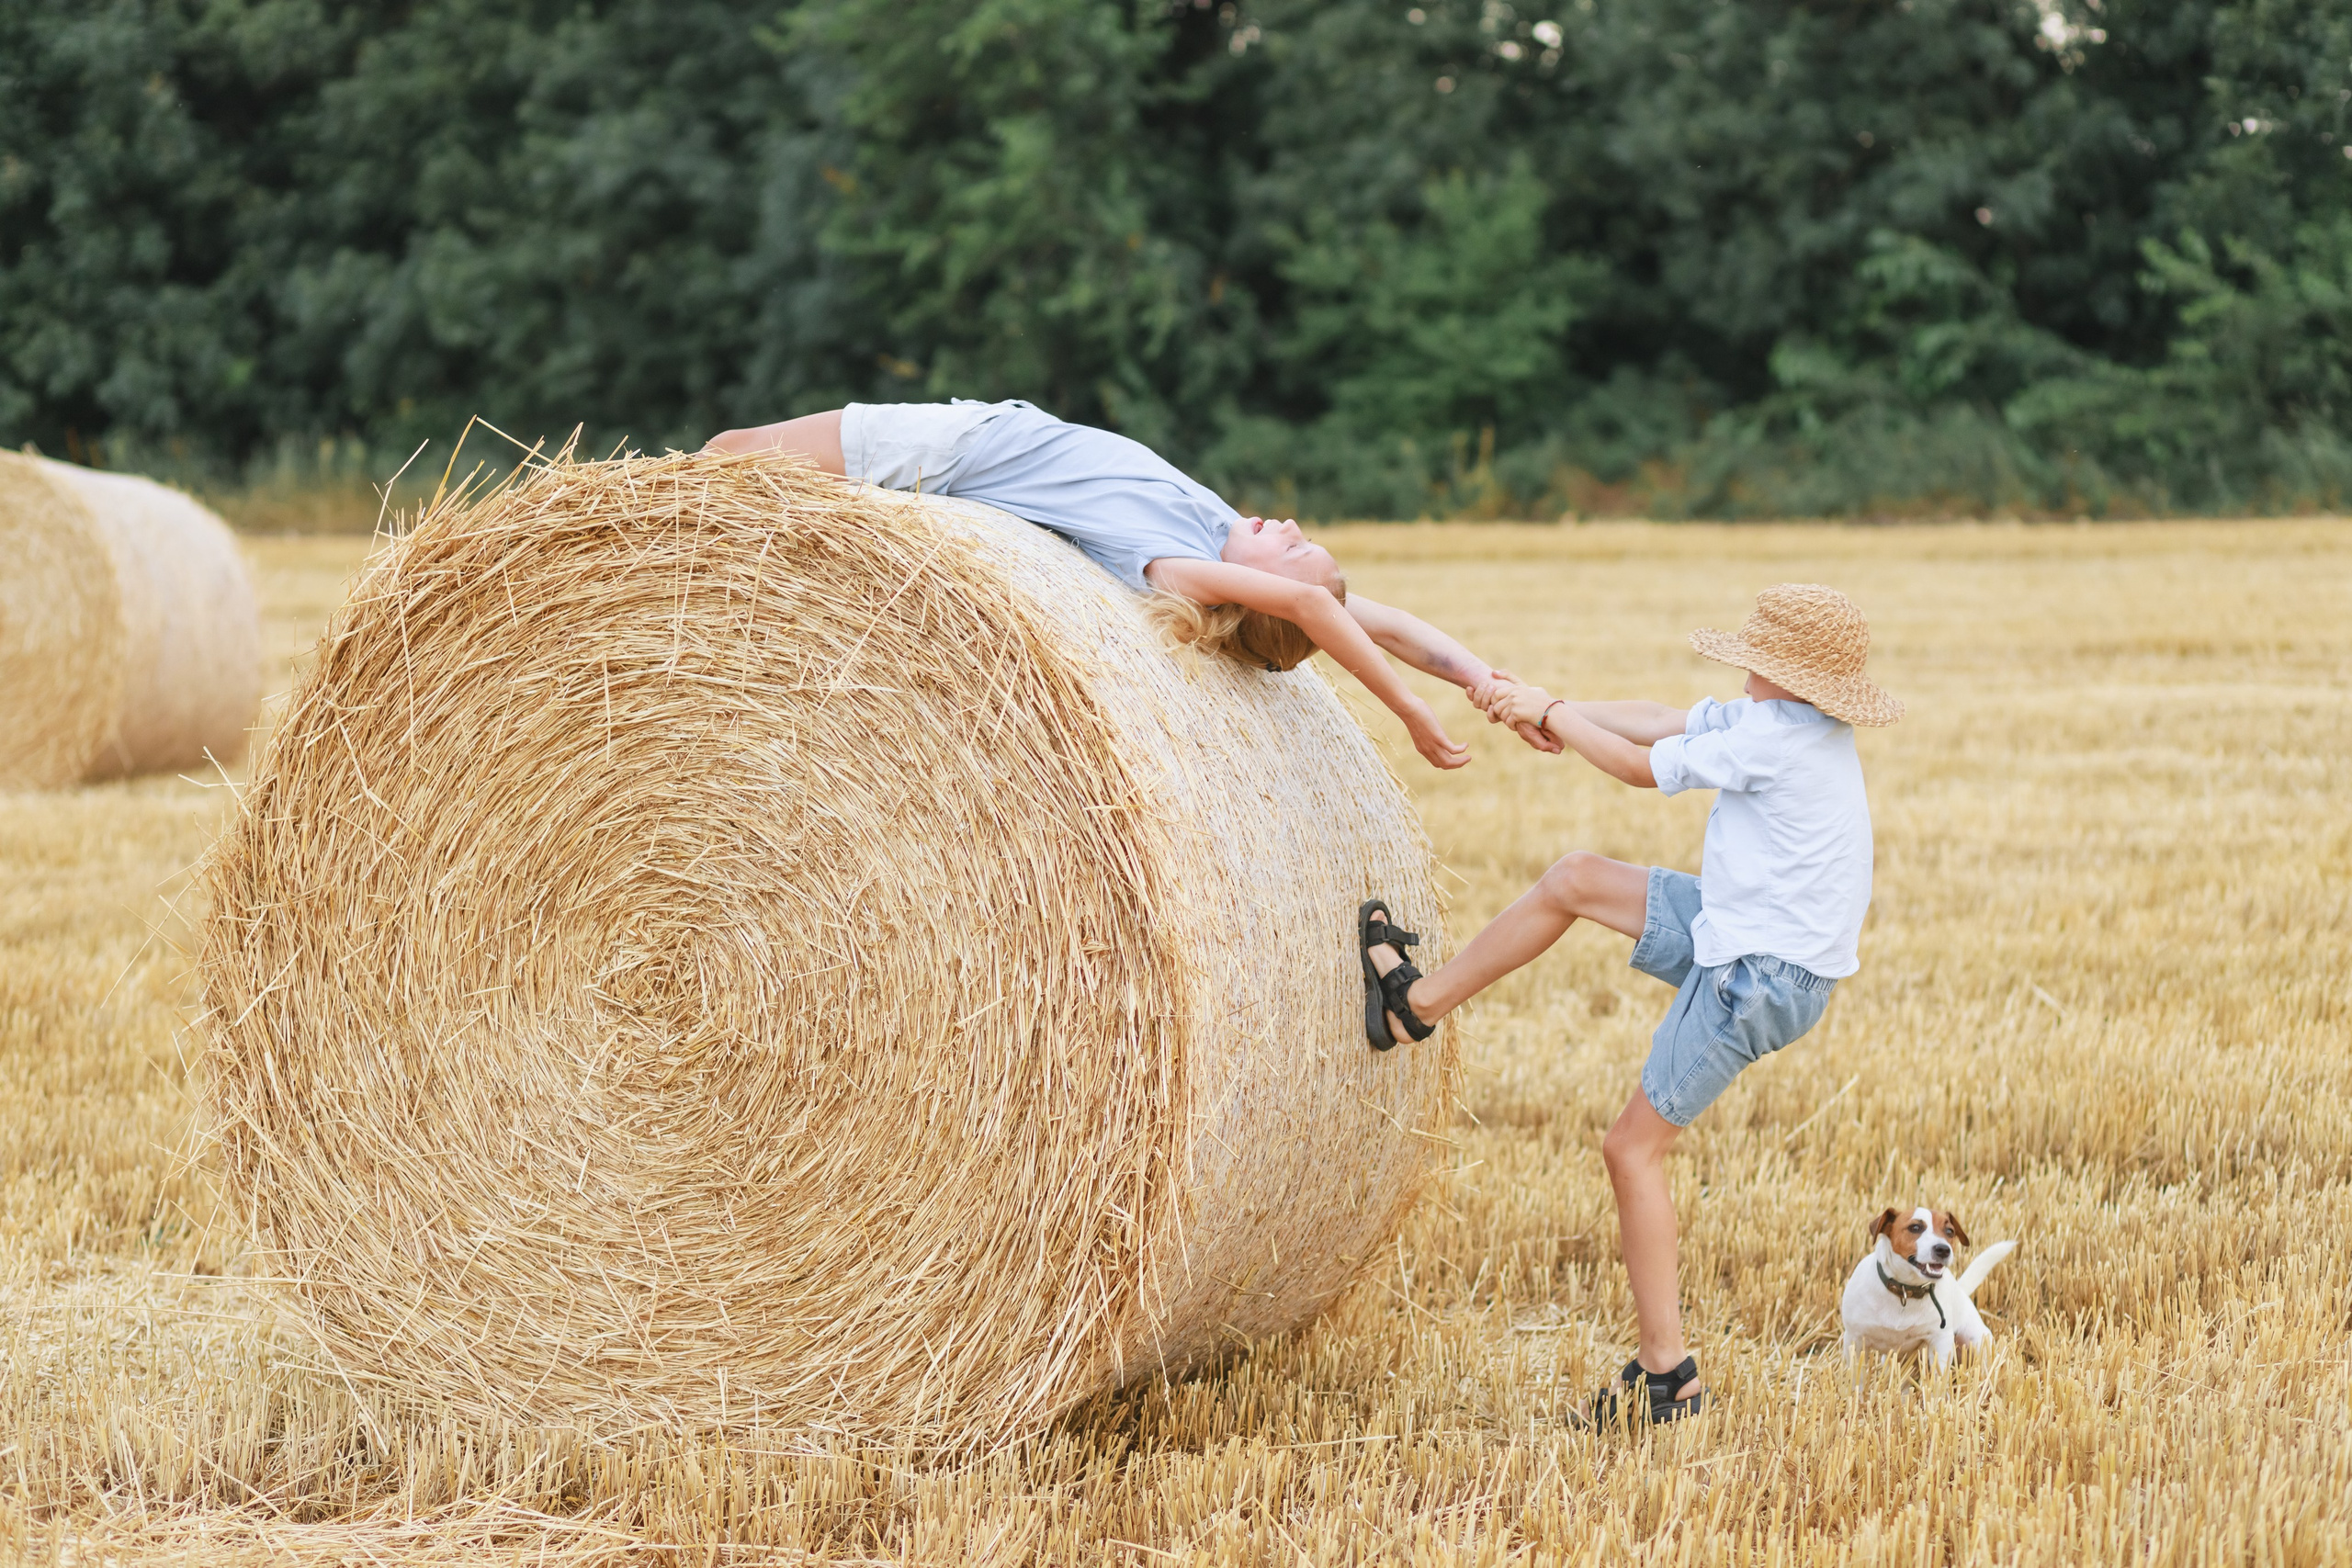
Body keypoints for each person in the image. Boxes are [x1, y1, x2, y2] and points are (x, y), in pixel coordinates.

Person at [1356, 584, 1902, 1425]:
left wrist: (1556, 717)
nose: (1746, 664)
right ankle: (1415, 1006)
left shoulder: (1778, 738)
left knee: (1630, 1151)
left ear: (1783, 673)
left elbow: (1638, 767)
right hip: (1745, 931)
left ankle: (1666, 1375)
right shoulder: (1791, 723)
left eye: (1758, 655)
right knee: (1575, 878)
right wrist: (1547, 705)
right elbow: (1659, 717)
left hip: (1755, 974)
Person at [705, 400, 1556, 768]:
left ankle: (657, 569)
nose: (1294, 529)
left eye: (1298, 551)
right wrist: (1480, 679)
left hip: (955, 449)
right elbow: (1392, 625)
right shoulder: (1222, 530)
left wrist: (1408, 710)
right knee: (731, 461)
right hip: (987, 431)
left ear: (1248, 595)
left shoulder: (1178, 564)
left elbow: (1309, 606)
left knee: (723, 458)